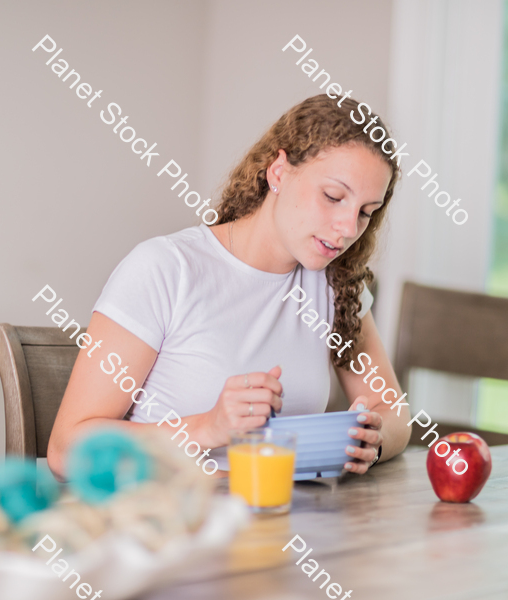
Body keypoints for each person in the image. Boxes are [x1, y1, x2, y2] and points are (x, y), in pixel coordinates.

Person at [48, 94, 412, 479]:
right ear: (279, 172)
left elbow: (394, 414)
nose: (348, 228)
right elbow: (67, 448)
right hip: (173, 522)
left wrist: (373, 441)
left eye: (365, 213)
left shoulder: (336, 285)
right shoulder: (166, 268)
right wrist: (208, 427)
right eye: (333, 196)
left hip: (286, 525)